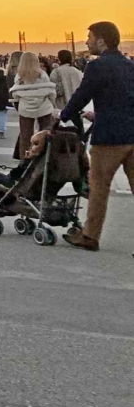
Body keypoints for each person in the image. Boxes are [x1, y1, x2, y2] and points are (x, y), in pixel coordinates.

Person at [62, 22, 134, 252]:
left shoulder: (97, 66)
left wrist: (64, 115)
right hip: (132, 133)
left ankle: (90, 236)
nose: (87, 41)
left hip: (109, 138)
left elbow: (82, 94)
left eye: (90, 37)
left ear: (101, 40)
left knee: (98, 187)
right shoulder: (129, 65)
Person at [9, 52, 57, 158]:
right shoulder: (42, 74)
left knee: (25, 136)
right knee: (45, 134)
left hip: (25, 108)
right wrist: (53, 105)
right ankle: (44, 157)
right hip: (43, 107)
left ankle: (24, 159)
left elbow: (16, 95)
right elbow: (50, 91)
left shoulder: (19, 76)